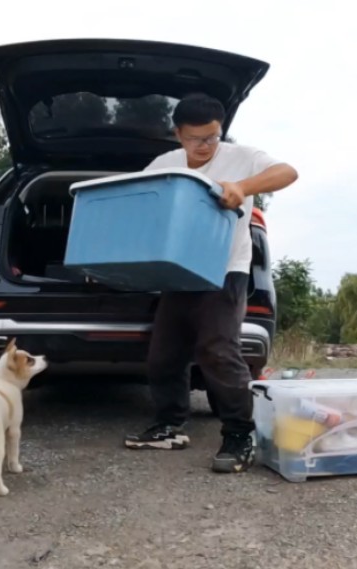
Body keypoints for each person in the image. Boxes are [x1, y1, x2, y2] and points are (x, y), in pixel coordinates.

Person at [124, 93, 298, 473]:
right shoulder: (165, 163)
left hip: (224, 269)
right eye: (196, 139)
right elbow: (139, 199)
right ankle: (170, 425)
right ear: (177, 134)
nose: (205, 146)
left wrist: (243, 186)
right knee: (164, 355)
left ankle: (240, 434)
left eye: (213, 137)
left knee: (218, 350)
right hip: (177, 270)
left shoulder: (241, 157)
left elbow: (288, 173)